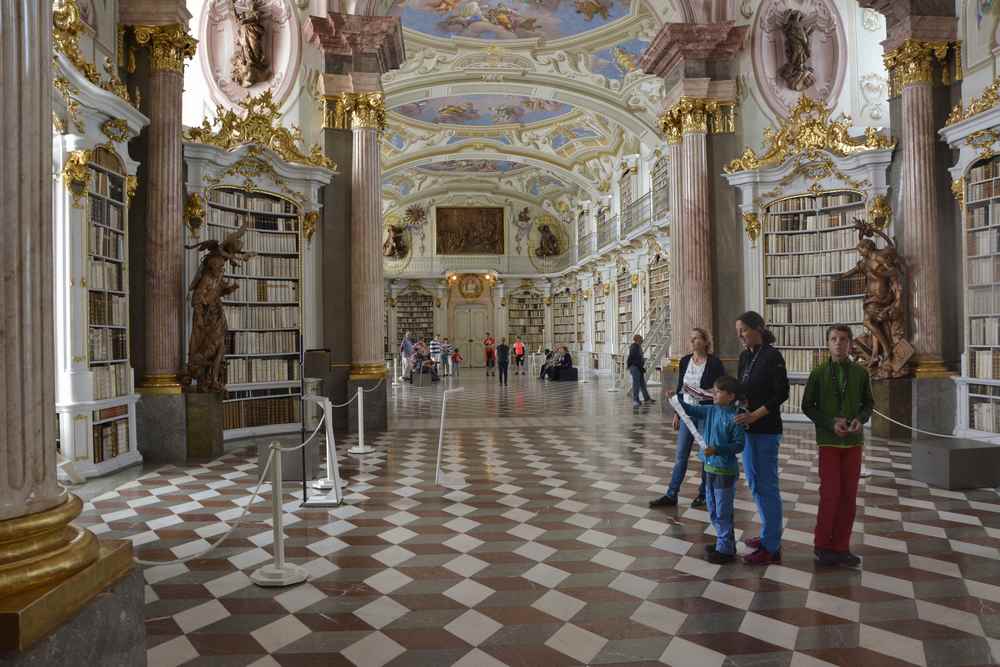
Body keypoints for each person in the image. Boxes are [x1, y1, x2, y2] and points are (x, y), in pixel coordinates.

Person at [802, 324, 873, 567]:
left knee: (849, 496)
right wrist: (830, 423)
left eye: (843, 339)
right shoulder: (819, 373)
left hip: (853, 443)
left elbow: (868, 405)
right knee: (830, 495)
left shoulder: (861, 373)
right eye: (834, 339)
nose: (838, 343)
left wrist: (860, 420)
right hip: (829, 442)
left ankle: (842, 546)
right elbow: (807, 406)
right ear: (827, 343)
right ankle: (823, 546)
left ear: (850, 343)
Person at [735, 310, 790, 565]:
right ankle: (768, 535)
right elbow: (741, 388)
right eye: (738, 332)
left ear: (759, 327)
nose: (741, 336)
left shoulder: (772, 355)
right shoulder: (745, 356)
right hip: (748, 429)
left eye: (743, 330)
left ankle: (772, 546)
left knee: (767, 486)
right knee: (755, 484)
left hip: (766, 429)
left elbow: (782, 394)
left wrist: (756, 415)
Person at [673, 376, 745, 564]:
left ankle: (726, 549)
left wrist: (718, 450)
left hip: (724, 471)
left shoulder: (735, 417)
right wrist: (675, 399)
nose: (714, 394)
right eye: (714, 391)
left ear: (731, 396)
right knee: (712, 507)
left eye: (718, 392)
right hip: (709, 468)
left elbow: (739, 445)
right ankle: (724, 543)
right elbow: (690, 409)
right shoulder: (710, 410)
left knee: (723, 509)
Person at [650, 328, 725, 509]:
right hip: (687, 414)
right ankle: (671, 494)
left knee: (705, 455)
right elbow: (681, 388)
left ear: (706, 341)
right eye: (691, 339)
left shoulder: (714, 363)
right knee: (681, 456)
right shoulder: (685, 361)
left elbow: (720, 390)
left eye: (697, 338)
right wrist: (677, 411)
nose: (693, 342)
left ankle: (703, 494)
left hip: (705, 414)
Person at [626, 334, 656, 408]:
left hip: (638, 367)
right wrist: (639, 366)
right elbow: (634, 358)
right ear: (637, 340)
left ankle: (647, 398)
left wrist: (641, 366)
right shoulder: (634, 347)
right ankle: (635, 400)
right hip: (635, 367)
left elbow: (639, 358)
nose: (642, 340)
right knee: (636, 384)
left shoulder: (638, 347)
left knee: (642, 384)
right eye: (641, 339)